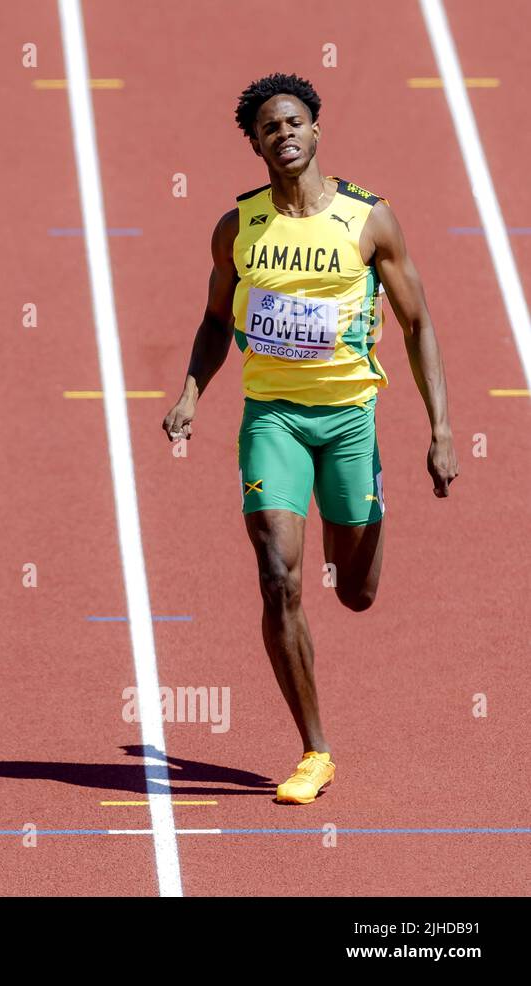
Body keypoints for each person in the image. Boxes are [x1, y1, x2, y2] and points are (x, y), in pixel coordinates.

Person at [161, 74, 457, 804]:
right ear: (256, 144)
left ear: (317, 131)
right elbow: (214, 319)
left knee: (354, 592)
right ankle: (314, 750)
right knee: (279, 573)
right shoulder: (239, 227)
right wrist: (191, 392)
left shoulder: (369, 220)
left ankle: (366, 515)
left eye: (294, 122)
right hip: (274, 419)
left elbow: (418, 324)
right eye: (270, 128)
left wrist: (441, 429)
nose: (284, 134)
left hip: (351, 419)